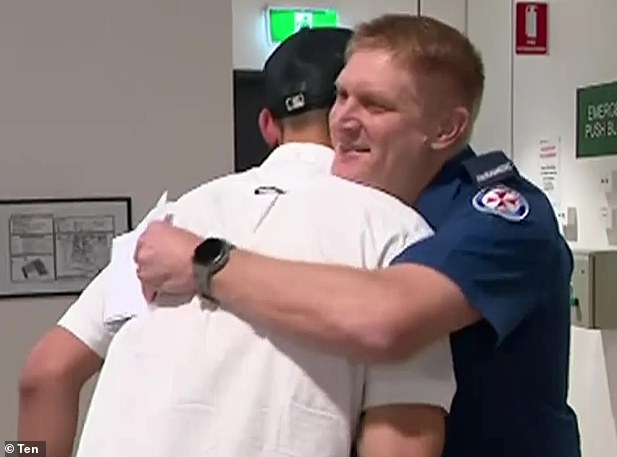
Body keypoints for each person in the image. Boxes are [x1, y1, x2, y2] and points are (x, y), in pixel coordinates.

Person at [135, 14, 582, 457]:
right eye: (341, 96)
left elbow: (386, 318)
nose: (343, 120)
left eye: (375, 105)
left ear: (446, 129)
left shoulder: (505, 220)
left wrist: (204, 263)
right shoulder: (353, 208)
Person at [19, 27, 454, 457]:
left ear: (267, 125)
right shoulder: (395, 234)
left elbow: (45, 373)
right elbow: (401, 441)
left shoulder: (169, 223)